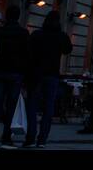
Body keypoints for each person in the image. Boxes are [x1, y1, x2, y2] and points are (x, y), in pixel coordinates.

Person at [23, 8, 72, 148]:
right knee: (48, 108)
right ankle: (42, 139)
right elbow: (68, 49)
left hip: (36, 74)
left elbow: (29, 53)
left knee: (32, 105)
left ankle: (30, 136)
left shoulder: (37, 34)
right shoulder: (60, 36)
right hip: (52, 75)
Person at [0, 5, 29, 148]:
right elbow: (27, 56)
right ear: (18, 16)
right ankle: (6, 138)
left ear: (7, 16)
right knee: (11, 107)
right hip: (16, 74)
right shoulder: (24, 33)